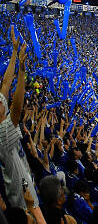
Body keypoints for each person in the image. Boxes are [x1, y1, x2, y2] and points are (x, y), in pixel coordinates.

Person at [0, 35, 38, 211]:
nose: (2, 100)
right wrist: (22, 73)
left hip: (25, 181)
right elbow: (16, 110)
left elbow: (6, 83)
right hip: (21, 203)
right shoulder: (1, 134)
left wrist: (14, 52)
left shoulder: (1, 111)